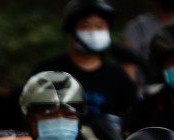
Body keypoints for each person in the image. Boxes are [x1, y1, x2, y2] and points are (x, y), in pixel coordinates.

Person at [32, 0, 139, 130]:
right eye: (85, 26)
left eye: (100, 27)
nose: (93, 32)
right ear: (71, 32)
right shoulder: (49, 72)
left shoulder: (117, 76)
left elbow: (136, 115)